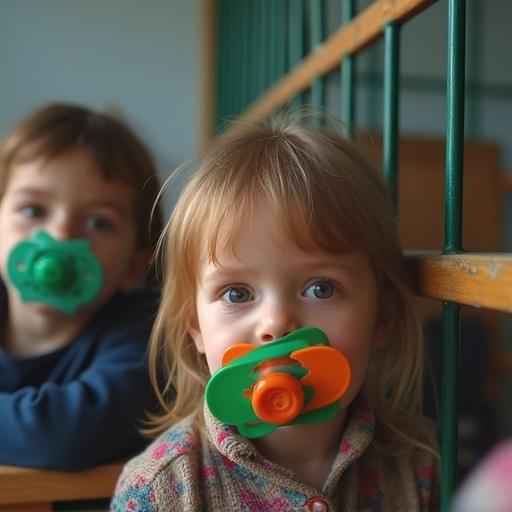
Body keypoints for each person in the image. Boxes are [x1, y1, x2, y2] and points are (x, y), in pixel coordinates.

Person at [111, 114, 439, 511]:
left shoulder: (421, 464)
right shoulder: (160, 490)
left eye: (321, 287)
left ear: (382, 319)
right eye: (237, 292)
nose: (276, 323)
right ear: (196, 326)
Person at [0, 103, 163, 471]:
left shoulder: (143, 338)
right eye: (33, 210)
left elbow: (63, 436)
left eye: (97, 223)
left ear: (135, 267)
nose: (59, 235)